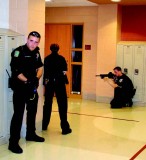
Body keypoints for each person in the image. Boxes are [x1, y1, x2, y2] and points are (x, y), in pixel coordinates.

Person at [8, 31, 45, 154]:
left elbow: (40, 67)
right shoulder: (18, 52)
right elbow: (17, 72)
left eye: (36, 42)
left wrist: (36, 78)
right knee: (18, 115)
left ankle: (30, 134)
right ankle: (13, 143)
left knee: (32, 111)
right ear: (27, 39)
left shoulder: (36, 53)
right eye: (31, 40)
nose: (33, 44)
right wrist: (28, 81)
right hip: (20, 88)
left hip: (31, 88)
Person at [42, 43, 72, 135]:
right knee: (62, 104)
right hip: (59, 83)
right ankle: (64, 128)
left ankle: (44, 125)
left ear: (50, 49)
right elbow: (64, 71)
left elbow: (45, 72)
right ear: (58, 49)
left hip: (49, 83)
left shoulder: (46, 59)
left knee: (47, 104)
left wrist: (45, 83)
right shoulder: (61, 59)